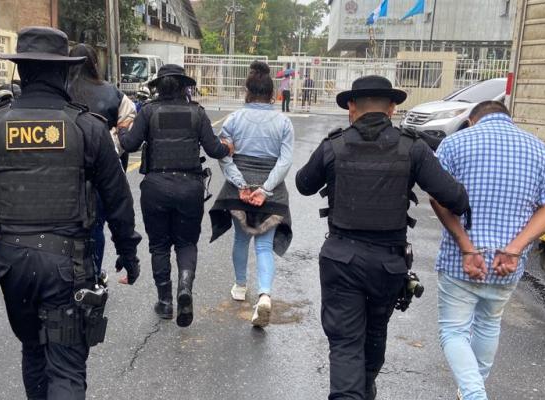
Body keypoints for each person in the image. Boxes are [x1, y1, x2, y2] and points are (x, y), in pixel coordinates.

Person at [0, 27, 142, 400]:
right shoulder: (88, 128)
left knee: (33, 351)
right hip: (68, 267)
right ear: (64, 73)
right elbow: (118, 200)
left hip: (12, 264)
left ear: (21, 72)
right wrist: (128, 254)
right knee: (66, 367)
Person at [295, 75, 471, 400]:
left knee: (346, 343)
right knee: (375, 333)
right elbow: (455, 198)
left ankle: (355, 392)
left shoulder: (333, 145)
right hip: (388, 264)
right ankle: (365, 387)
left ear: (351, 107)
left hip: (340, 260)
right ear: (392, 108)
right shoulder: (412, 147)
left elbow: (303, 184)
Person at [430, 101, 545, 400]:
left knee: (454, 332)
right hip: (507, 264)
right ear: (508, 119)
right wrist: (515, 249)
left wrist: (467, 246)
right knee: (489, 323)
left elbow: (437, 199)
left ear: (472, 121)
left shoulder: (454, 144)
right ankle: (470, 394)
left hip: (461, 260)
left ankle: (474, 394)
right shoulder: (540, 149)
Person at [119, 64, 232, 328]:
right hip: (189, 187)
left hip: (156, 186)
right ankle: (185, 287)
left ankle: (166, 302)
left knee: (159, 245)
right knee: (186, 243)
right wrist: (228, 147)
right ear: (184, 87)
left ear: (158, 86)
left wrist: (123, 129)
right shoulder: (197, 113)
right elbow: (215, 149)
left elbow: (130, 144)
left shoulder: (147, 112)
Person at [209, 61, 294, 327]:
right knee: (265, 245)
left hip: (239, 192)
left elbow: (224, 156)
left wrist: (241, 184)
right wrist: (266, 188)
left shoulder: (234, 119)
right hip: (271, 194)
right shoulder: (283, 122)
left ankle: (239, 286)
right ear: (273, 94)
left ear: (247, 91)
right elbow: (285, 161)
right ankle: (265, 294)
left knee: (240, 239)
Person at [68, 43, 137, 273]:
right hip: (102, 175)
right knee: (96, 227)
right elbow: (128, 125)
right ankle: (93, 275)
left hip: (64, 174)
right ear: (95, 64)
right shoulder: (112, 92)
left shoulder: (59, 90)